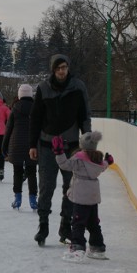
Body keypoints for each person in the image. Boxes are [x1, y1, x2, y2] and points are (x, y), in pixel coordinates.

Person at [29, 54, 91, 246]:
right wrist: (32, 144)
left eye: (64, 67)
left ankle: (66, 226)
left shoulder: (78, 87)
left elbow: (84, 116)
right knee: (46, 188)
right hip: (47, 147)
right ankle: (43, 226)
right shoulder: (43, 88)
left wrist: (86, 142)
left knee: (70, 189)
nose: (62, 71)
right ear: (53, 70)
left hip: (71, 147)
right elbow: (36, 118)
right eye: (58, 68)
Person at [51, 131, 113, 262]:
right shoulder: (98, 159)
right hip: (93, 197)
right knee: (93, 223)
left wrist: (59, 152)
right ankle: (98, 248)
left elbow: (64, 165)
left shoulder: (79, 158)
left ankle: (77, 248)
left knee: (78, 223)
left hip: (80, 196)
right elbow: (103, 166)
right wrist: (108, 161)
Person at [3, 84, 38, 210]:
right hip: (32, 146)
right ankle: (33, 200)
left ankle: (17, 199)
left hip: (16, 145)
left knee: (17, 172)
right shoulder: (36, 108)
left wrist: (4, 146)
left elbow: (8, 129)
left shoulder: (14, 108)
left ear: (19, 95)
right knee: (32, 172)